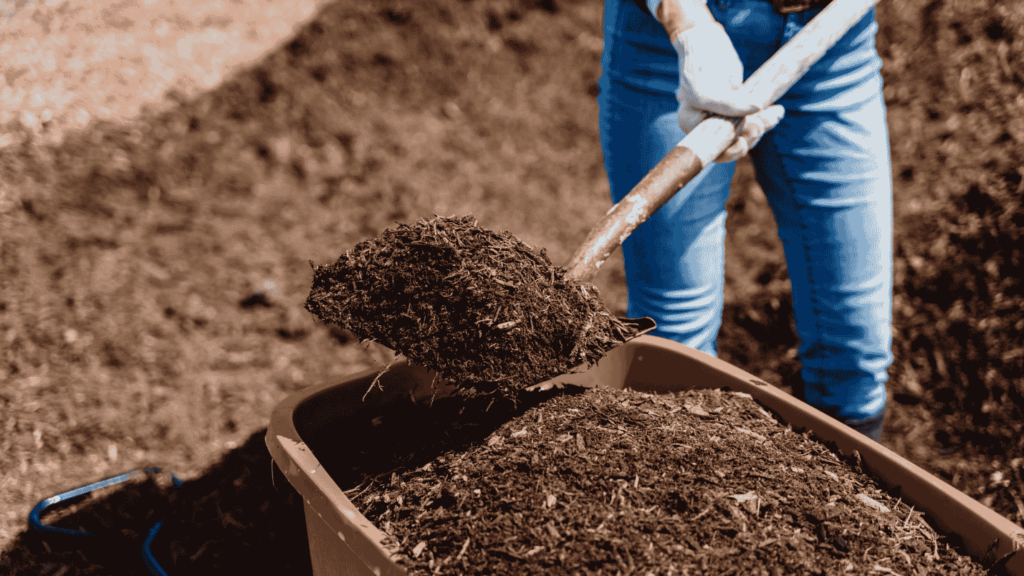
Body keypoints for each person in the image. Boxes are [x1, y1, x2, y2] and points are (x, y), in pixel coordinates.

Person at [599, 0, 892, 440]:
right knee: (675, 343)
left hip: (833, 42)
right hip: (674, 44)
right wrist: (688, 26)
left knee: (855, 347)